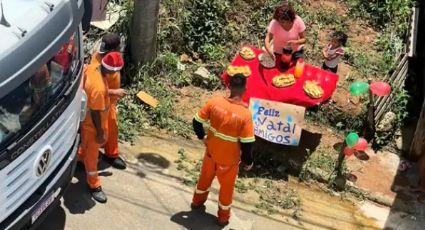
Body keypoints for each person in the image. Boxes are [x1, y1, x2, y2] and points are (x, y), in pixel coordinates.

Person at [191, 74, 256, 226]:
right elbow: (247, 144)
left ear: (229, 87)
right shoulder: (245, 115)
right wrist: (249, 162)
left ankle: (196, 202)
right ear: (245, 89)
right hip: (229, 161)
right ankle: (222, 217)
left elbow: (196, 121)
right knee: (226, 190)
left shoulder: (215, 102)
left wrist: (203, 138)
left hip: (210, 154)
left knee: (204, 180)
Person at [79, 52, 124, 203]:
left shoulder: (93, 67)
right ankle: (94, 184)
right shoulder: (98, 89)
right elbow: (96, 112)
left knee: (85, 147)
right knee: (93, 157)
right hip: (92, 126)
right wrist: (99, 132)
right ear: (111, 71)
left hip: (87, 121)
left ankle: (78, 160)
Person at [90, 32, 127, 169]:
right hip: (100, 104)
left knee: (112, 128)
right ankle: (84, 159)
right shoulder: (97, 64)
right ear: (114, 49)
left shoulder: (111, 58)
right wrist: (114, 92)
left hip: (110, 102)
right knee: (96, 132)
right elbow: (96, 90)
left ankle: (112, 155)